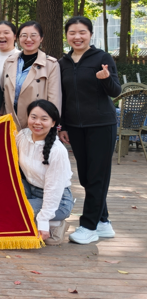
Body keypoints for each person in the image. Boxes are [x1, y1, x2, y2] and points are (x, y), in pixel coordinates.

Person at [59, 16, 121, 245]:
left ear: (90, 34)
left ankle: (88, 226)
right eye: (72, 33)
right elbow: (63, 97)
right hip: (75, 127)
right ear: (66, 35)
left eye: (82, 32)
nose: (77, 37)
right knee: (86, 177)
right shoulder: (63, 63)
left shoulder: (102, 58)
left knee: (97, 176)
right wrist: (63, 126)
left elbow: (115, 91)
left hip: (101, 125)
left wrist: (105, 79)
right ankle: (103, 222)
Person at [17, 100, 74, 246]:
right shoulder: (23, 136)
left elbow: (53, 190)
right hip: (30, 188)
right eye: (33, 117)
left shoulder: (57, 151)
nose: (37, 122)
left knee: (14, 211)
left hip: (58, 201)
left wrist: (43, 221)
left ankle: (53, 223)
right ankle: (39, 219)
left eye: (44, 119)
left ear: (53, 123)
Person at [1, 21, 61, 130]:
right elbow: (3, 92)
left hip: (37, 124)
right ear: (18, 38)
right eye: (24, 35)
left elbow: (54, 99)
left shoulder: (51, 64)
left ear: (41, 38)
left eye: (33, 35)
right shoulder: (9, 62)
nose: (28, 39)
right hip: (10, 122)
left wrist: (52, 124)